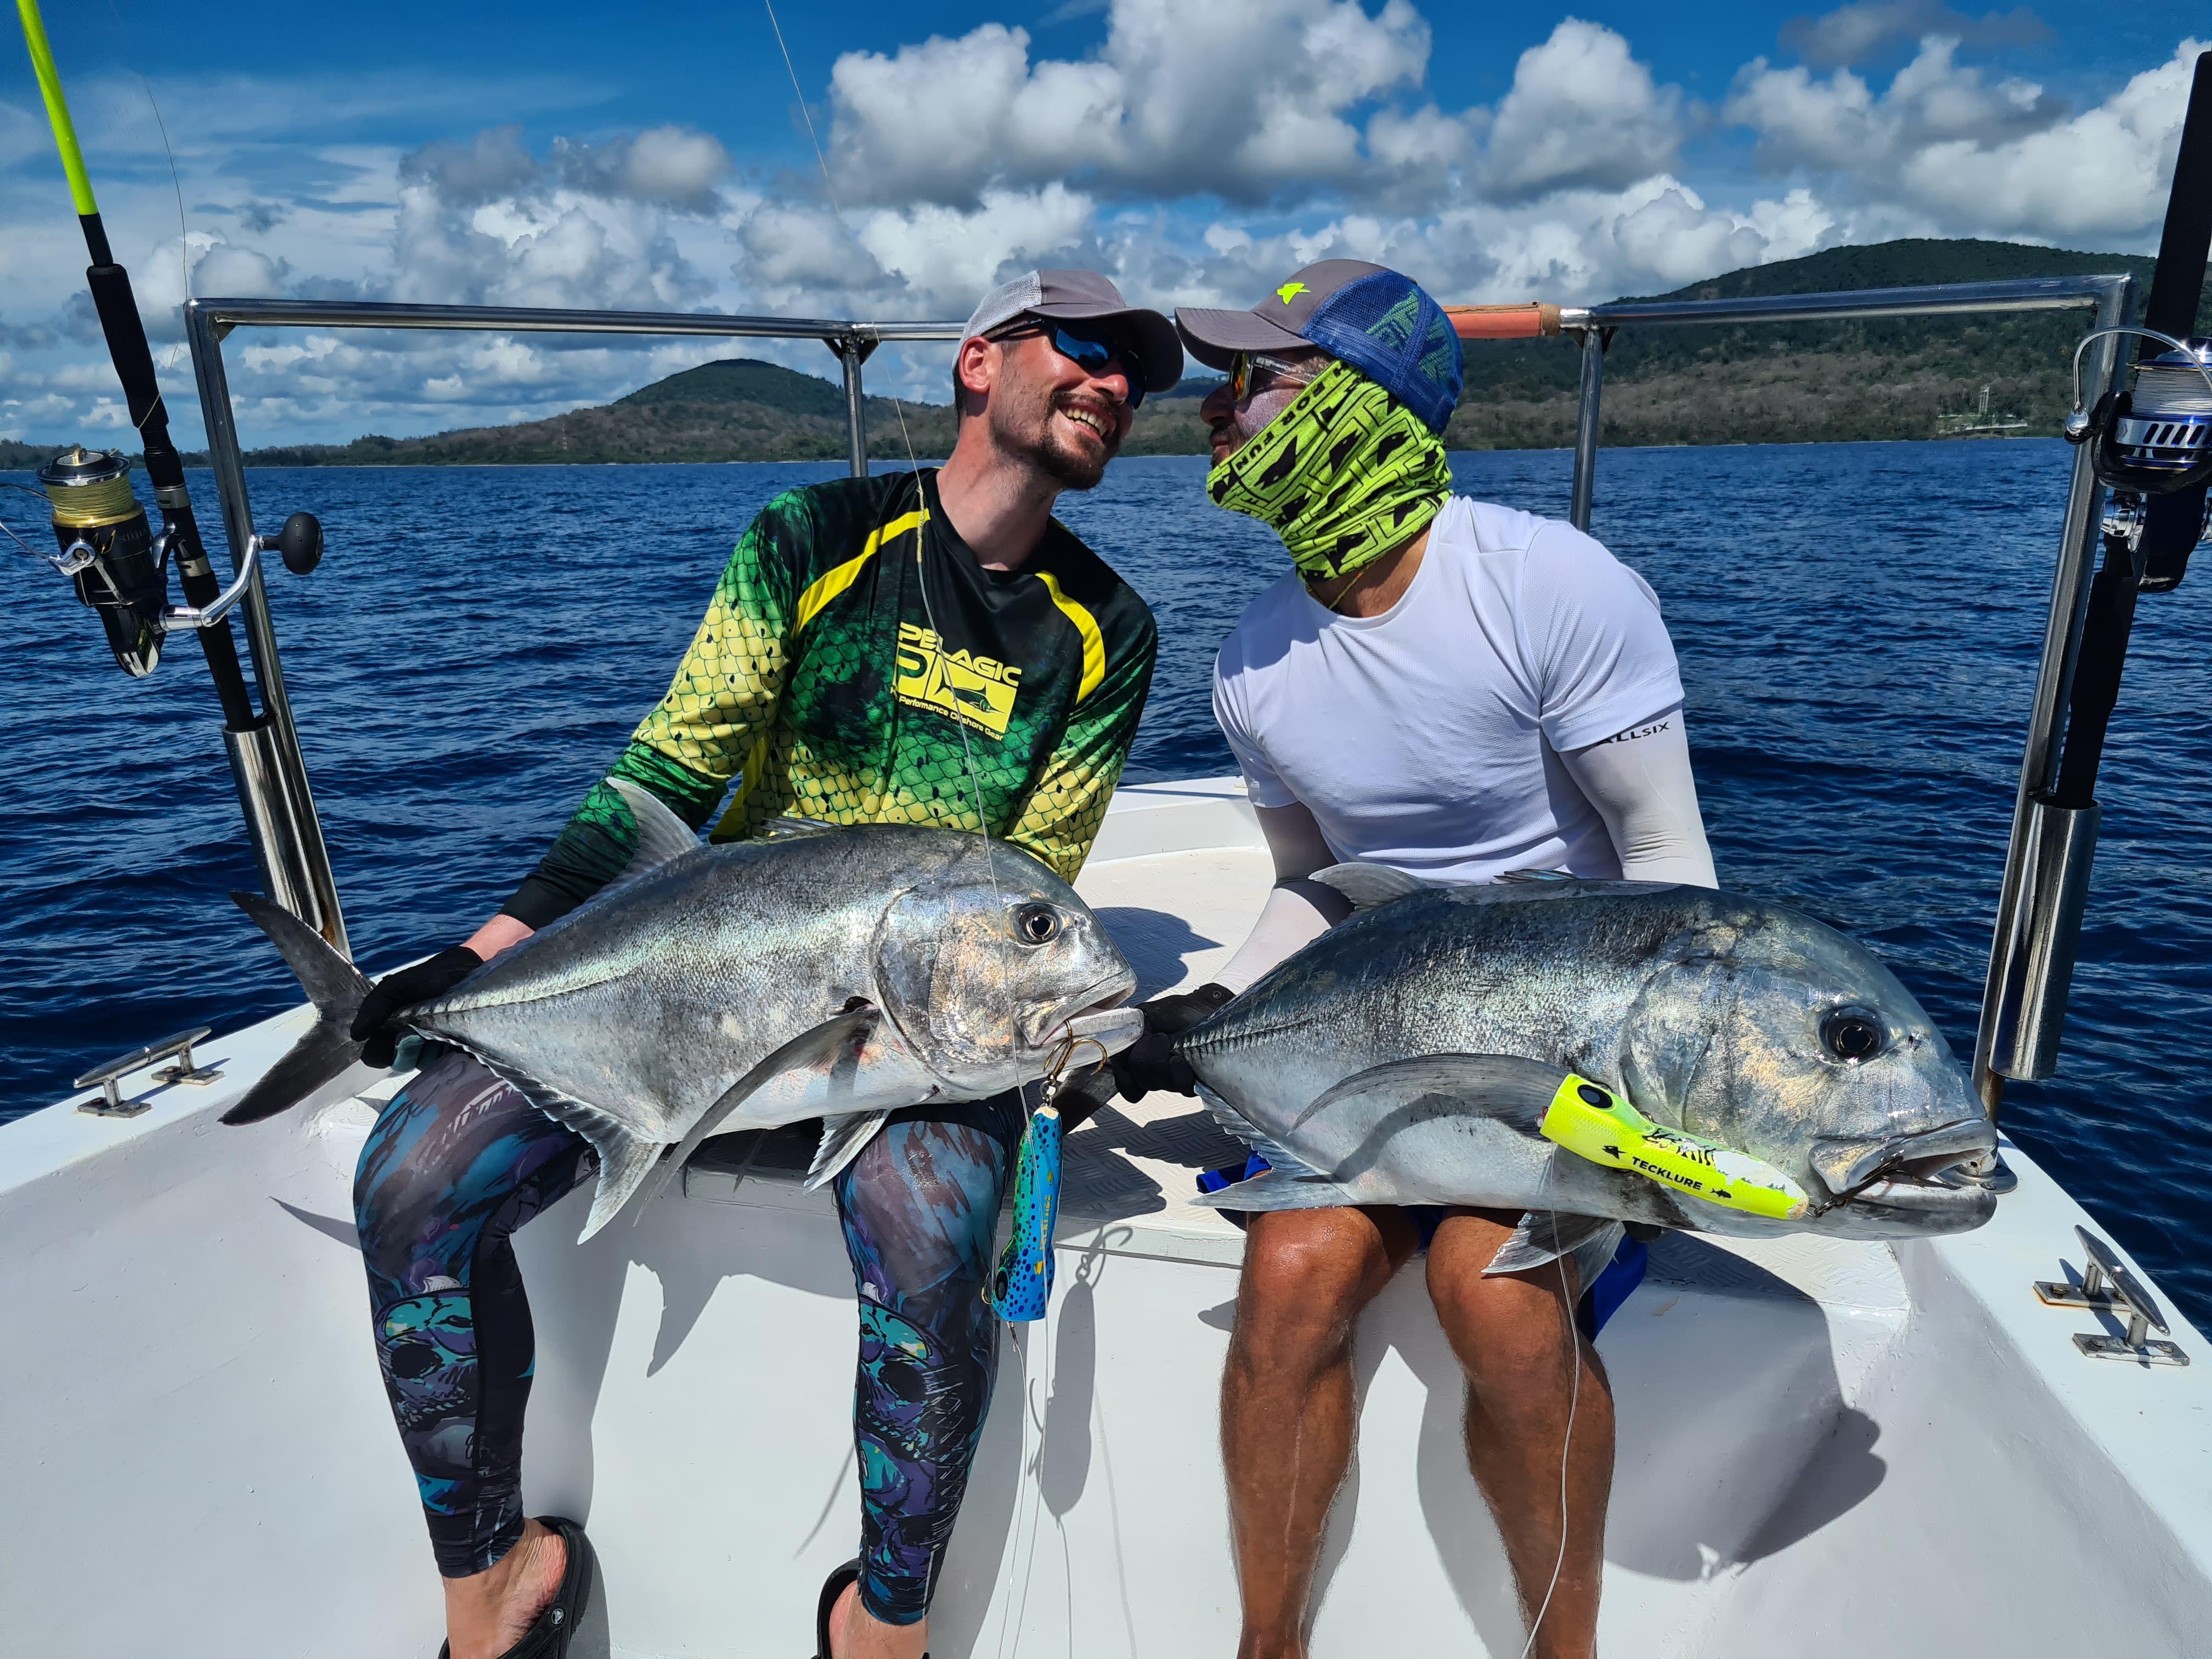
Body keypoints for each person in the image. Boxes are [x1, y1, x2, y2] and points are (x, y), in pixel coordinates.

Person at [346, 268, 1178, 1659]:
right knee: (410, 1177)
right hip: (677, 977)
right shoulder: (814, 537)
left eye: (1137, 376)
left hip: (918, 1014)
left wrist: (1059, 1028)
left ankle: (881, 1630)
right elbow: (668, 771)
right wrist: (486, 952)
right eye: (1085, 350)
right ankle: (490, 1585)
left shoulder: (1108, 633)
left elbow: (1033, 889)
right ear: (981, 362)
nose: (1114, 386)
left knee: (931, 1239)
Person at [1114, 259, 1717, 1659]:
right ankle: (1273, 1645)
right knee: (1288, 1281)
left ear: (1360, 404)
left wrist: (1637, 1097)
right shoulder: (1254, 661)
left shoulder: (1550, 586)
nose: (1212, 410)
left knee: (1488, 1296)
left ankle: (1559, 1648)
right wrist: (1209, 1011)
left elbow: (1668, 870)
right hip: (1383, 1046)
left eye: (1251, 380)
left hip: (1565, 1053)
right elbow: (1309, 889)